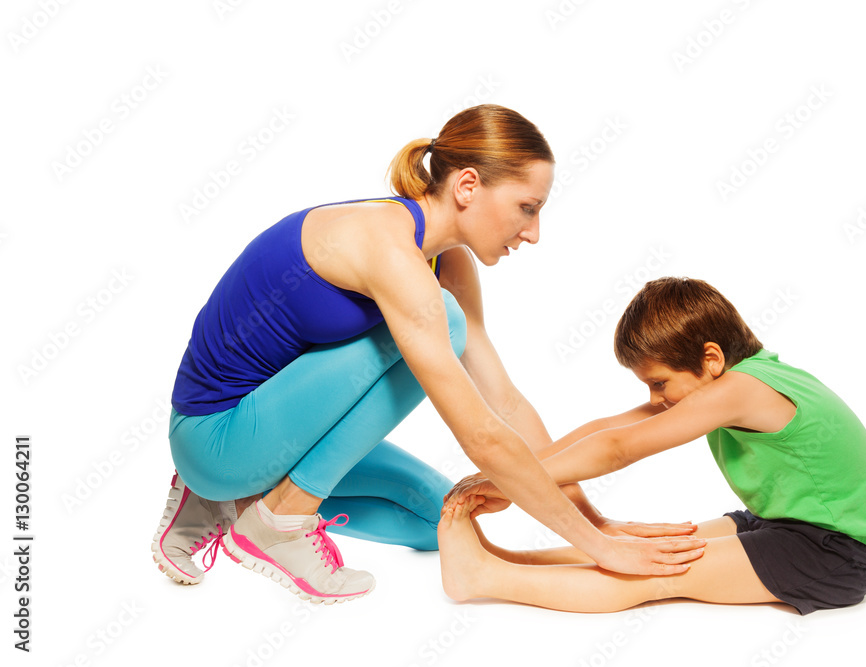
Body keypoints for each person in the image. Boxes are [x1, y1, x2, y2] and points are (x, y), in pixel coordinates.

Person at [150, 105, 706, 605]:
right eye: (526, 207)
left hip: (277, 436)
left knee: (440, 518)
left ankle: (237, 506)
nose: (533, 232)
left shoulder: (445, 264)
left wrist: (597, 521)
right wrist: (597, 550)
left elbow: (504, 404)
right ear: (467, 185)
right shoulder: (388, 250)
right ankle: (272, 516)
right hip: (216, 440)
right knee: (448, 322)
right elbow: (482, 435)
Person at [441, 276, 866, 615]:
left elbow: (619, 448)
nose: (656, 399)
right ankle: (509, 559)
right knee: (653, 544)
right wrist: (512, 471)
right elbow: (605, 429)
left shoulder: (743, 390)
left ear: (711, 359)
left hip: (833, 554)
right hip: (781, 523)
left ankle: (483, 576)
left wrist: (511, 480)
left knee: (652, 574)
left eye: (659, 383)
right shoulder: (739, 379)